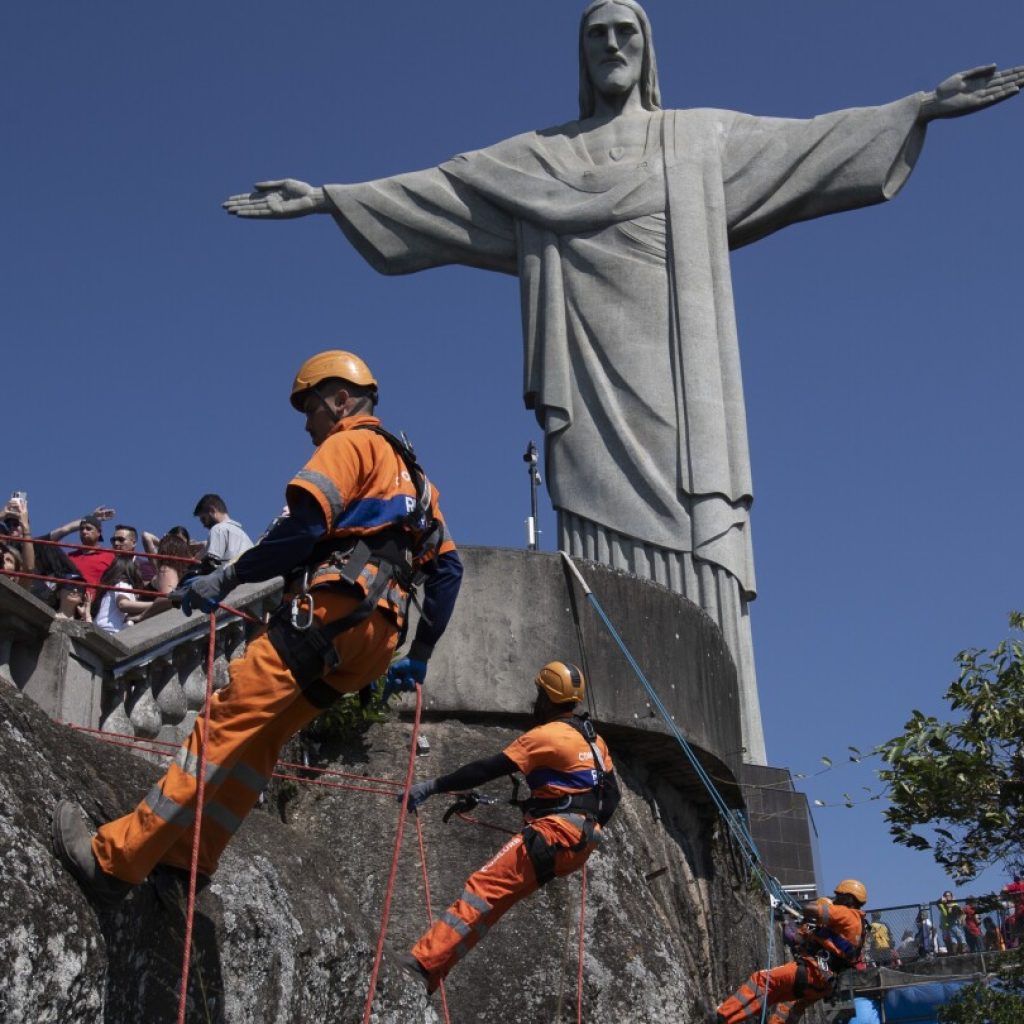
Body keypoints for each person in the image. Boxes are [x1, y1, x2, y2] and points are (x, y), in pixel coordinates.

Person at [223, 0, 1024, 766]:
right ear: (582, 53)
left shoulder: (699, 140)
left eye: (625, 32)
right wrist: (330, 198)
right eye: (597, 34)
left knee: (699, 520)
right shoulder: (540, 159)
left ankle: (736, 747)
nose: (611, 46)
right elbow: (440, 190)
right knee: (599, 525)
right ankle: (609, 702)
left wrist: (919, 107)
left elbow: (812, 144)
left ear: (647, 51)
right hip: (589, 377)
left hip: (683, 373)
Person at [52, 350, 463, 905]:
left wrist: (228, 578)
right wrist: (423, 652)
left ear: (340, 400)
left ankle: (115, 860)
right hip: (376, 637)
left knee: (221, 726)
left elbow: (303, 529)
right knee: (262, 742)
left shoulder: (350, 444)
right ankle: (190, 859)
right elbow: (448, 570)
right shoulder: (418, 479)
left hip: (331, 611)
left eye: (311, 408)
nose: (307, 424)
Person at [394, 661, 619, 994]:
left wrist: (433, 786)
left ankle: (423, 963)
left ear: (547, 697)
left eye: (538, 694)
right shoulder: (594, 740)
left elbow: (487, 768)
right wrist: (571, 820)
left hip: (554, 834)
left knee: (482, 890)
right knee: (493, 903)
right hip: (579, 842)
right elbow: (610, 797)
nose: (535, 702)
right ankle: (433, 972)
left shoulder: (545, 736)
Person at [714, 879, 868, 1024]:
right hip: (824, 984)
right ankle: (727, 1020)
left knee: (760, 980)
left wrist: (811, 908)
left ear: (849, 899)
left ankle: (721, 1016)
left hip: (812, 971)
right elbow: (811, 941)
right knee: (775, 1000)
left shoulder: (847, 914)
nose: (835, 900)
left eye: (839, 897)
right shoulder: (858, 928)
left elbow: (812, 910)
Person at [47, 509, 116, 598]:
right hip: (68, 602)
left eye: (88, 528)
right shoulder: (69, 557)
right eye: (81, 529)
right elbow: (50, 540)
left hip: (93, 606)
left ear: (99, 532)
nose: (84, 531)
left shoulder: (110, 556)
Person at [192, 494, 252, 568]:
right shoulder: (244, 536)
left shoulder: (218, 529)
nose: (204, 526)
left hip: (230, 577)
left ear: (212, 510)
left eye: (204, 519)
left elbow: (211, 563)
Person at [93, 555, 149, 634]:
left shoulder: (113, 586)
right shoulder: (122, 584)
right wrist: (153, 604)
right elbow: (123, 604)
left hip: (103, 630)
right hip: (110, 631)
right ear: (130, 569)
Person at [938, 890, 966, 955]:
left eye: (948, 895)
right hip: (945, 926)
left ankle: (960, 951)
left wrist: (962, 920)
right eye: (945, 896)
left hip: (953, 925)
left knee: (958, 937)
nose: (947, 897)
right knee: (947, 940)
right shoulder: (942, 904)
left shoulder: (954, 904)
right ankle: (951, 952)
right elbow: (938, 903)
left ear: (951, 896)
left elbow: (961, 912)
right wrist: (941, 900)